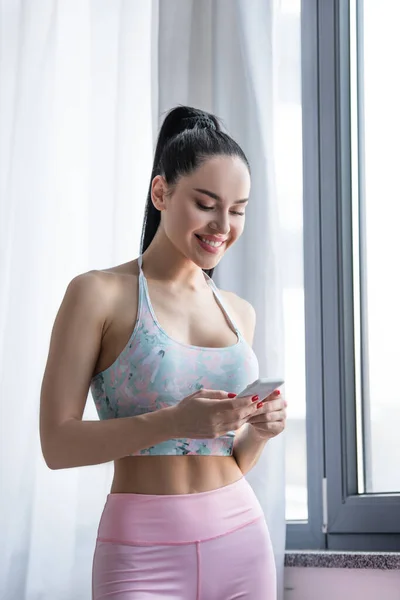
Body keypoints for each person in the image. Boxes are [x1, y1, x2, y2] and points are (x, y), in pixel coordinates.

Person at [39, 106, 287, 600]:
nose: (223, 224)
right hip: (141, 552)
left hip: (241, 538)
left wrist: (260, 432)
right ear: (161, 193)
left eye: (237, 209)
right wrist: (174, 422)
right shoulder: (98, 294)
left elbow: (226, 460)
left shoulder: (240, 312)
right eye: (206, 203)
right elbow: (57, 446)